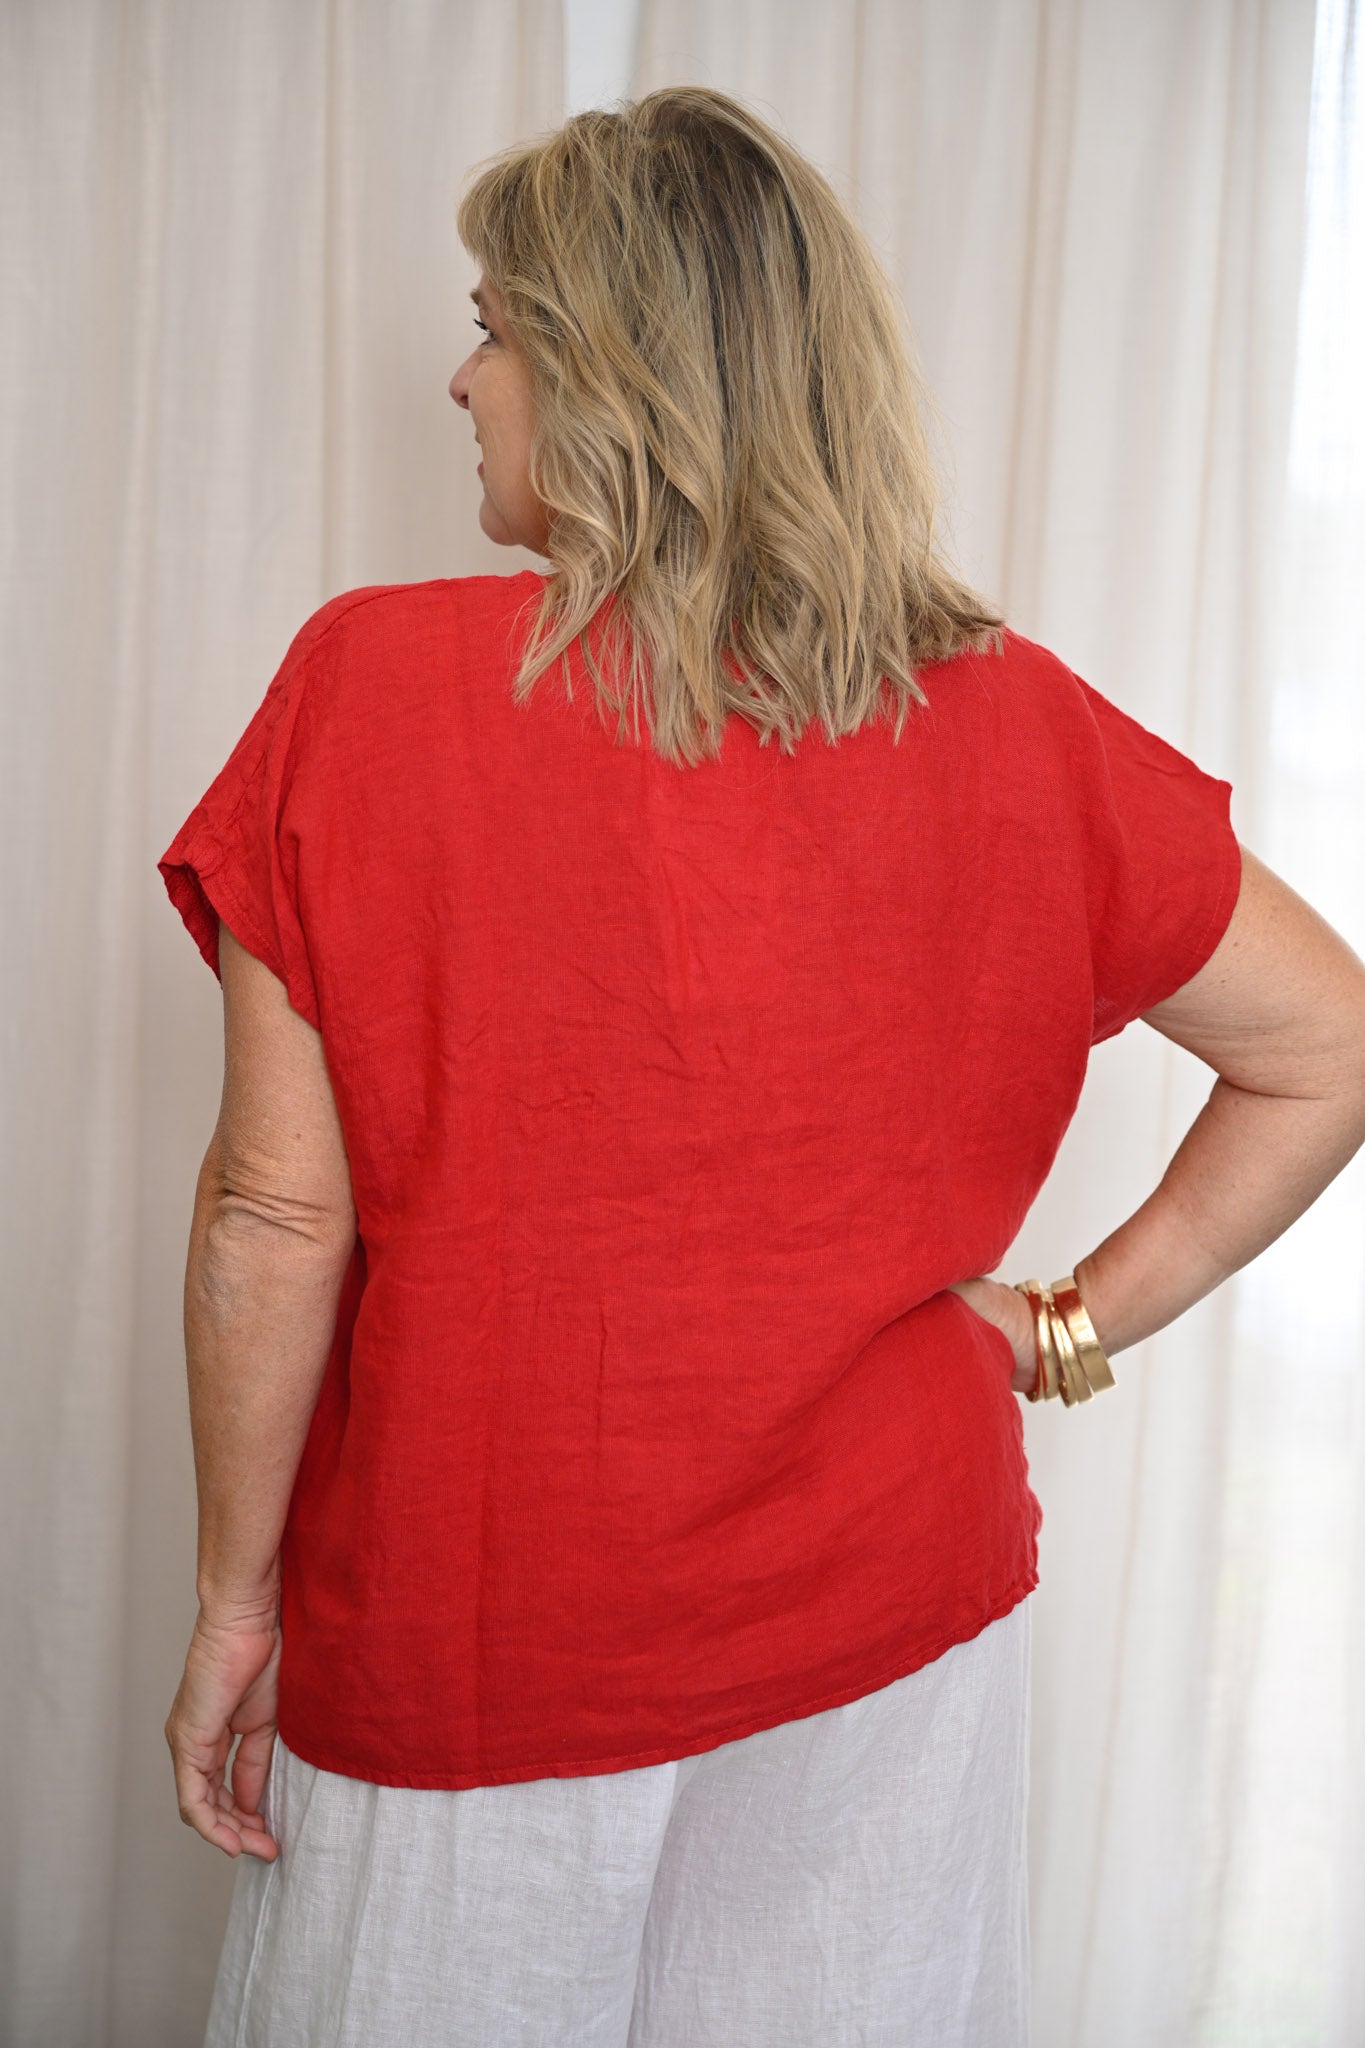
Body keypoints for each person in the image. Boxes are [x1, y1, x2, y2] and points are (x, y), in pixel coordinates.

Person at [156, 85, 1365, 2048]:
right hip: (897, 1619)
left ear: (603, 373)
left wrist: (233, 1604)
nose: (459, 382)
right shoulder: (1013, 723)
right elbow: (1329, 1044)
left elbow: (273, 1216)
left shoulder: (370, 690)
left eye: (492, 330)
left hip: (491, 1631)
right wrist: (1054, 1330)